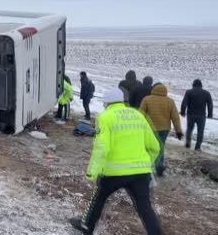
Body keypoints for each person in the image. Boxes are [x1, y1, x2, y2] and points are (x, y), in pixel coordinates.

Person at [70, 88, 163, 235]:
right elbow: (155, 147)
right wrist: (146, 164)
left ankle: (87, 226)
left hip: (113, 172)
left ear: (107, 103)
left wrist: (92, 173)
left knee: (98, 199)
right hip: (140, 172)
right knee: (145, 208)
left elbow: (102, 148)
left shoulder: (106, 117)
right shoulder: (138, 115)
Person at [139, 83, 183, 177]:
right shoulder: (170, 101)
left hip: (150, 129)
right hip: (164, 128)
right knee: (160, 147)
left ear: (153, 90)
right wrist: (178, 131)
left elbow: (140, 115)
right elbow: (175, 117)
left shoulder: (147, 99)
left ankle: (147, 167)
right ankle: (159, 166)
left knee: (149, 147)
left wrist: (138, 127)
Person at [181, 79, 213, 151]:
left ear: (193, 84)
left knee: (189, 129)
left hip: (191, 114)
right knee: (200, 131)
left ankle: (188, 144)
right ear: (201, 85)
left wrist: (182, 112)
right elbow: (210, 105)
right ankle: (198, 147)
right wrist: (210, 114)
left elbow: (184, 103)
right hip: (201, 115)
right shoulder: (206, 93)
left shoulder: (189, 92)